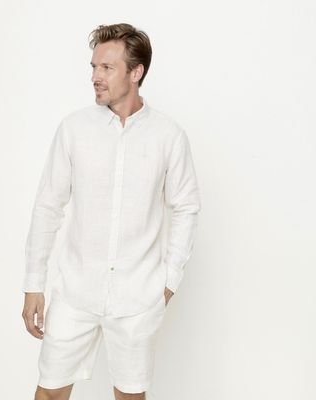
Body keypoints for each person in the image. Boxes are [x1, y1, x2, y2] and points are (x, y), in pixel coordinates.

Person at [21, 23, 201, 400]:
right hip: (75, 292)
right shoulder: (73, 129)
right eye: (93, 67)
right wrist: (34, 283)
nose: (95, 77)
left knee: (130, 396)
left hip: (138, 298)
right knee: (50, 391)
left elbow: (186, 207)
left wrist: (168, 282)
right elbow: (48, 206)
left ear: (136, 73)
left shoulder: (168, 136)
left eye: (106, 68)